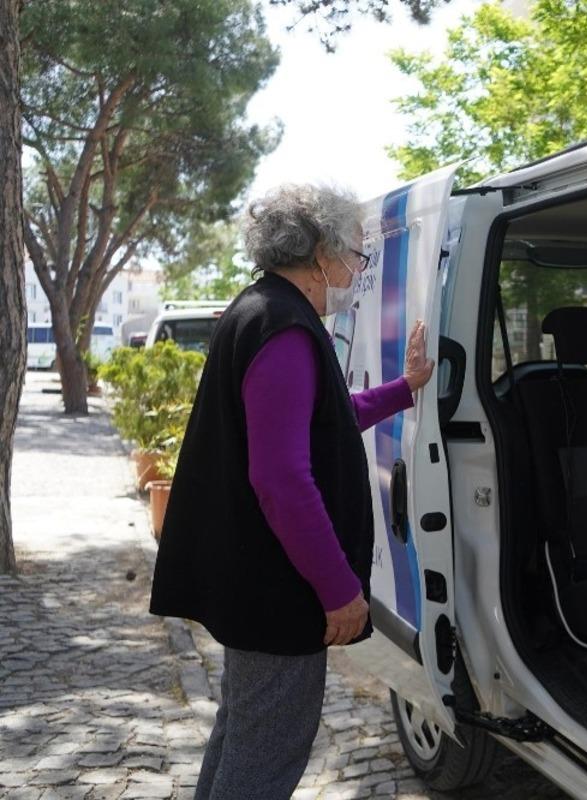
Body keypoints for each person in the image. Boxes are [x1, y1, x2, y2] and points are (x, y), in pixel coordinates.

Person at [149, 183, 433, 799]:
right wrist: (339, 591)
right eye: (354, 255)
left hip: (254, 585)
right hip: (277, 593)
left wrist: (405, 388)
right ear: (321, 252)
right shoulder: (283, 328)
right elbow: (281, 479)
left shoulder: (263, 311)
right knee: (263, 760)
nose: (355, 271)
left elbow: (323, 418)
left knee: (242, 740)